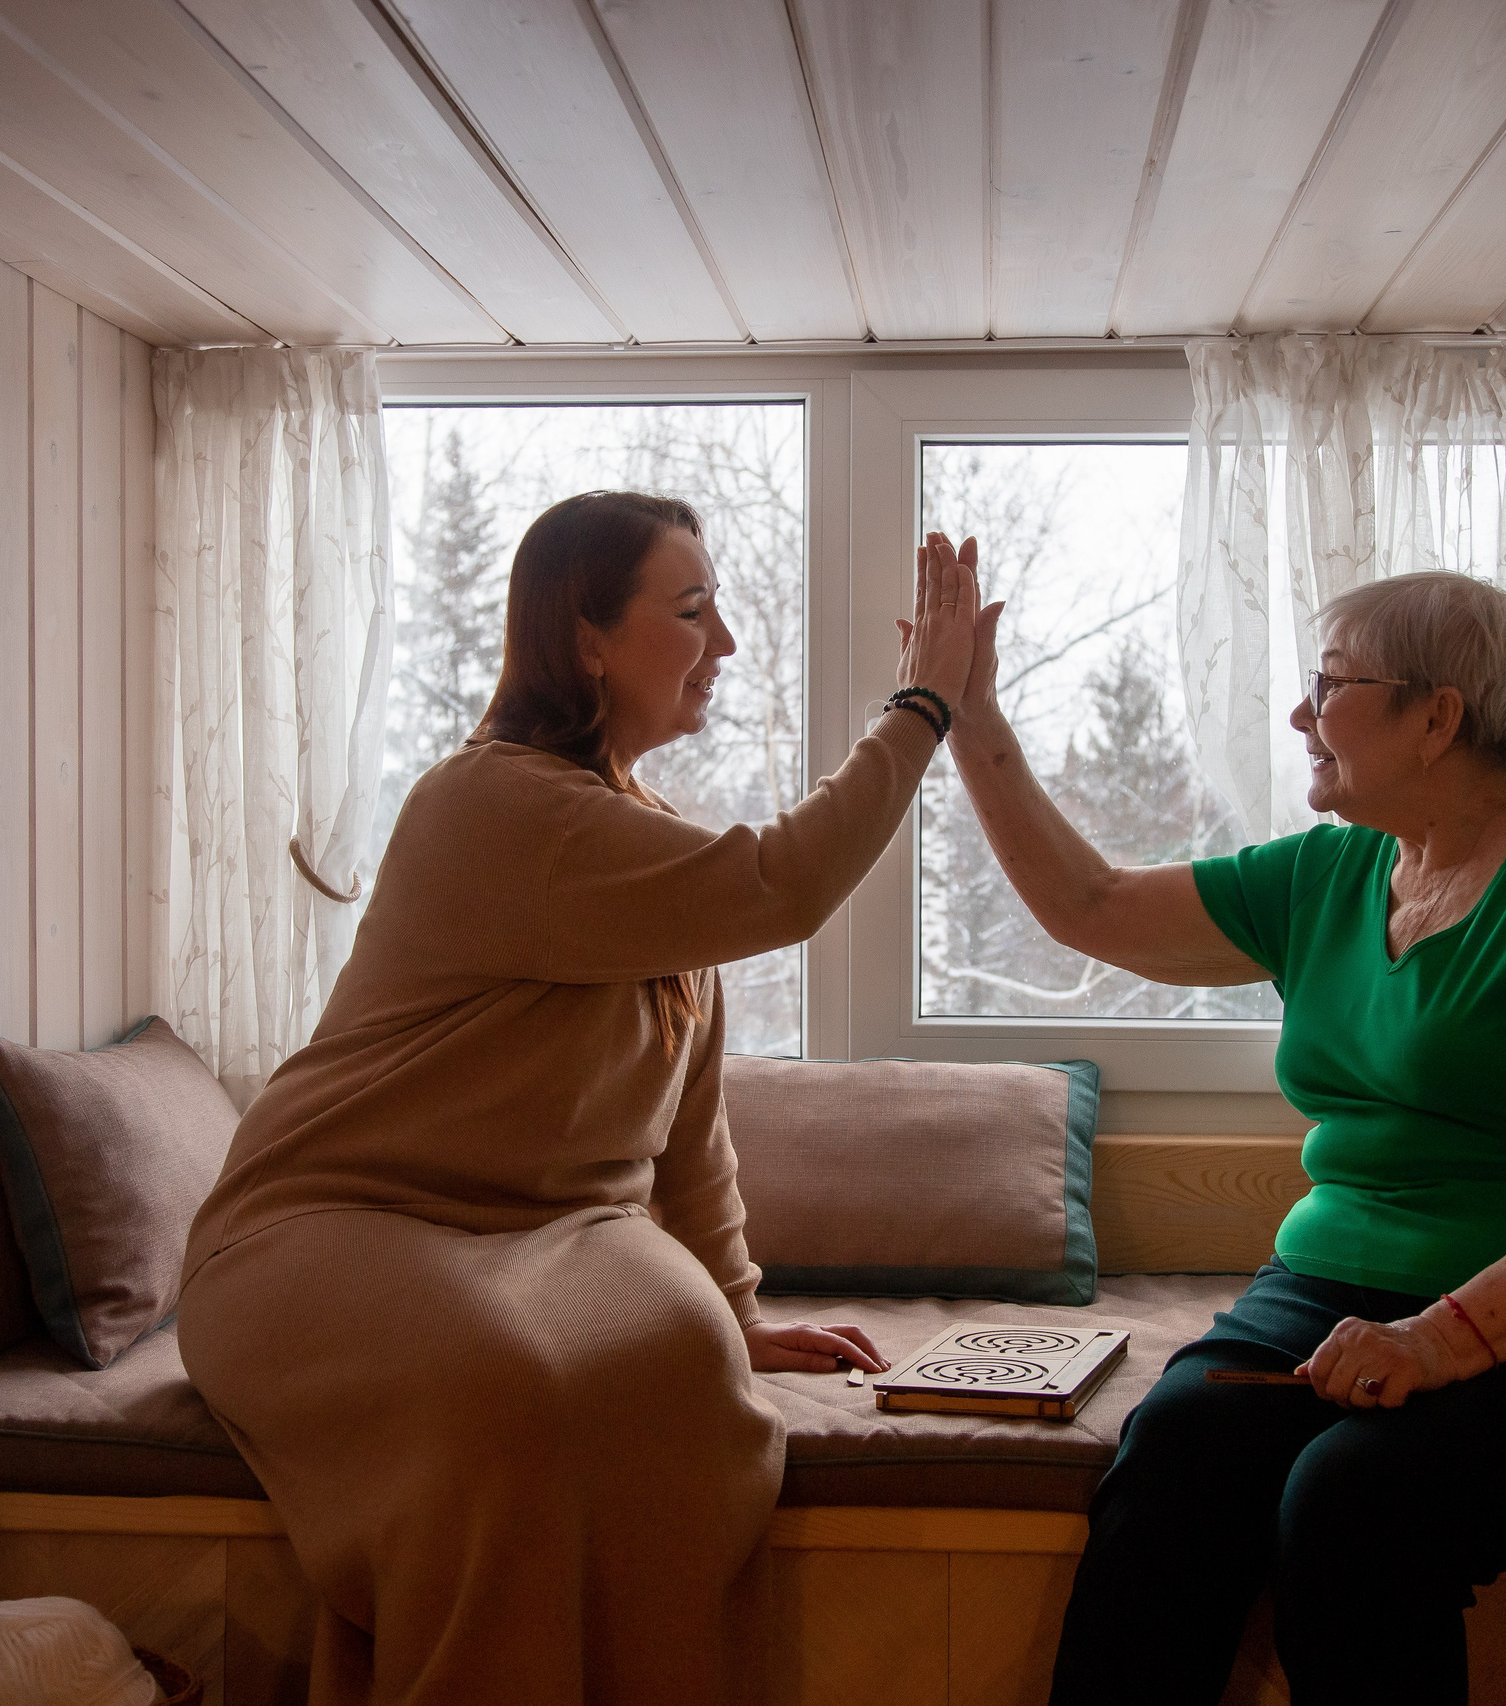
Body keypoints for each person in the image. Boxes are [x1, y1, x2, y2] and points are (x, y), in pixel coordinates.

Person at [932, 543, 1506, 1706]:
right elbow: (1091, 906)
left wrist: (1440, 1339)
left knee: (1352, 1499)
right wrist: (970, 719)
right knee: (1176, 1449)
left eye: (1330, 685)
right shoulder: (1328, 875)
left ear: (1439, 716)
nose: (1299, 712)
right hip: (1341, 1277)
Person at [176, 494, 984, 1706]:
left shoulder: (644, 846)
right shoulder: (488, 804)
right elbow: (787, 883)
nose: (723, 646)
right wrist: (920, 707)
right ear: (587, 635)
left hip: (550, 1242)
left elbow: (687, 1136)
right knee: (504, 1387)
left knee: (682, 1361)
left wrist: (735, 1307)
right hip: (328, 1228)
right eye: (693, 611)